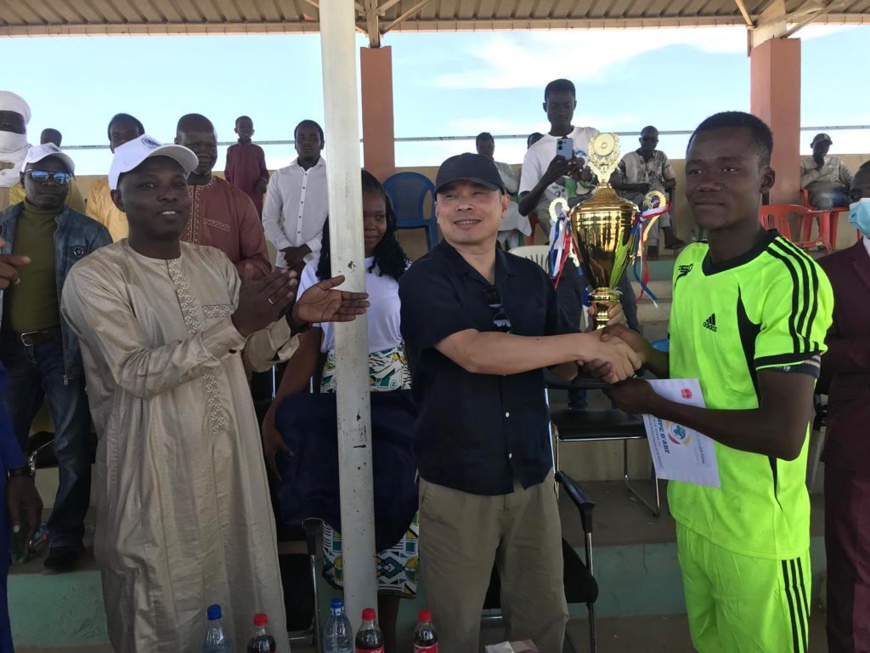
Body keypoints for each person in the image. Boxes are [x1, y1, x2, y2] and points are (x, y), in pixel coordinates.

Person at [59, 135, 369, 653]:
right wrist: (236, 324)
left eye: (177, 184)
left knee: (242, 586)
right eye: (148, 185)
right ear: (118, 198)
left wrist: (294, 318)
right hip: (155, 468)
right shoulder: (95, 278)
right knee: (160, 597)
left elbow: (244, 355)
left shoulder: (213, 265)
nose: (168, 195)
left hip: (230, 464)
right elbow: (135, 373)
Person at [606, 111, 833, 653]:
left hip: (757, 533)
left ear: (765, 179)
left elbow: (782, 432)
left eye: (730, 167)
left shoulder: (789, 278)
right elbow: (692, 373)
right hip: (694, 510)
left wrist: (651, 405)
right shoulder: (688, 264)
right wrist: (641, 355)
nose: (707, 181)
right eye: (698, 169)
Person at [399, 152, 641, 652]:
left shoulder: (530, 279)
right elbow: (474, 352)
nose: (465, 206)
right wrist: (579, 346)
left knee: (542, 621)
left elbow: (558, 368)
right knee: (456, 629)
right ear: (438, 209)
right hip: (457, 482)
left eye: (479, 194)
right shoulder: (424, 278)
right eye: (451, 196)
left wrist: (597, 334)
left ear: (504, 205)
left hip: (531, 477)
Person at [263, 170, 415, 653]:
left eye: (380, 216)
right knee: (342, 508)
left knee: (394, 508)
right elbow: (310, 349)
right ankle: (348, 629)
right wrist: (275, 412)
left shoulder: (402, 270)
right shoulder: (317, 271)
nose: (372, 225)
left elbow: (414, 344)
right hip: (337, 389)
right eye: (360, 216)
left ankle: (384, 634)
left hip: (393, 389)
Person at [0, 143, 111, 573]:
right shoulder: (3, 226)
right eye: (41, 176)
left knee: (71, 446)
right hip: (10, 351)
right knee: (6, 443)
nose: (50, 184)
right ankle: (12, 534)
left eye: (61, 177)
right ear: (24, 180)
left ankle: (64, 535)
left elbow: (106, 300)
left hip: (62, 351)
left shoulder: (90, 233)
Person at [518, 79, 638, 332]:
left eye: (566, 105)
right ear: (544, 107)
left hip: (601, 235)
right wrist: (548, 176)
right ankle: (572, 360)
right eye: (555, 105)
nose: (561, 111)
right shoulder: (536, 152)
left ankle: (633, 351)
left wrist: (588, 176)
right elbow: (524, 205)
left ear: (575, 105)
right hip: (566, 242)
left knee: (621, 293)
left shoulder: (591, 136)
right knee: (566, 299)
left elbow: (615, 179)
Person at [818, 160, 870, 653]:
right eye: (859, 194)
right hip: (859, 443)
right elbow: (816, 352)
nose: (864, 202)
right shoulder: (828, 273)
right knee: (854, 580)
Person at [175, 113, 271, 281]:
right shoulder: (160, 198)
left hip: (224, 302)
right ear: (177, 143)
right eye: (195, 145)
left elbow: (261, 265)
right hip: (163, 303)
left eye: (210, 146)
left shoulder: (239, 201)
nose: (204, 152)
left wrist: (223, 274)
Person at [0, 91, 85, 214]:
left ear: (25, 128)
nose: (6, 123)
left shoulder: (56, 172)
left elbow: (79, 222)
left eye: (14, 120)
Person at [262, 120, 329, 273]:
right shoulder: (280, 176)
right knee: (281, 296)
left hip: (320, 260)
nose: (306, 142)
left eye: (313, 138)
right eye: (301, 138)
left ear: (322, 143)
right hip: (286, 261)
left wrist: (304, 250)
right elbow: (268, 219)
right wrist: (287, 249)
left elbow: (336, 222)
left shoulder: (333, 177)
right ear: (295, 144)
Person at [610, 126, 685, 259]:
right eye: (646, 139)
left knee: (654, 198)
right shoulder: (628, 158)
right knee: (656, 196)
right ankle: (665, 236)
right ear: (640, 140)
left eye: (653, 140)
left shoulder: (661, 156)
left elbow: (672, 181)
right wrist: (637, 187)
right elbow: (614, 183)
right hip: (632, 199)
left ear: (657, 142)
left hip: (652, 201)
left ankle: (652, 247)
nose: (649, 143)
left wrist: (665, 184)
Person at [86, 113, 145, 242]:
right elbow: (93, 235)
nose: (124, 142)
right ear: (111, 146)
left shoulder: (162, 182)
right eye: (117, 137)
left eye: (130, 136)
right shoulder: (97, 190)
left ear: (143, 141)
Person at [476, 132, 530, 249]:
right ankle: (496, 243)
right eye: (483, 147)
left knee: (517, 210)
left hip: (501, 203)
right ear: (477, 148)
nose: (486, 150)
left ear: (494, 147)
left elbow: (514, 188)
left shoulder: (504, 167)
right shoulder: (472, 167)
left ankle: (499, 242)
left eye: (489, 147)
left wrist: (493, 166)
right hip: (481, 203)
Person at [226, 115, 270, 216]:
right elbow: (227, 173)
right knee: (237, 220)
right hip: (236, 193)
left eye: (249, 127)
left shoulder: (258, 150)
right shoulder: (231, 150)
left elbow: (264, 172)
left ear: (253, 131)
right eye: (242, 127)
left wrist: (262, 182)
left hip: (254, 195)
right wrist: (230, 190)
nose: (246, 130)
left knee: (255, 220)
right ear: (235, 130)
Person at [801, 133, 852, 210]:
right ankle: (824, 222)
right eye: (820, 145)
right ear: (811, 145)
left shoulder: (836, 161)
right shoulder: (803, 162)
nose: (823, 148)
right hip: (821, 194)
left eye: (826, 146)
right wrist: (818, 168)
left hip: (840, 192)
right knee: (824, 200)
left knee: (864, 198)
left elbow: (850, 179)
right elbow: (800, 184)